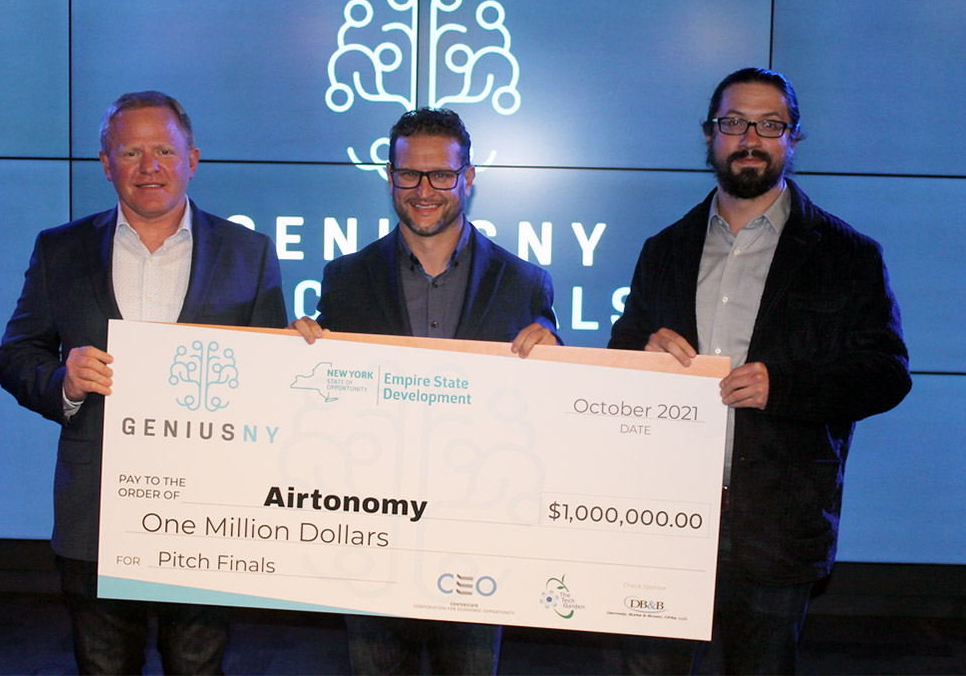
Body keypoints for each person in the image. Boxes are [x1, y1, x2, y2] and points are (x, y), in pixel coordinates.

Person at [609, 68, 911, 674]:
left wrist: (786, 387)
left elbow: (886, 373)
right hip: (661, 516)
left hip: (780, 523)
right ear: (710, 137)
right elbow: (619, 354)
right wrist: (639, 353)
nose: (750, 137)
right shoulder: (663, 249)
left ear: (792, 138)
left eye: (769, 125)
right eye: (733, 123)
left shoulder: (848, 255)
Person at [0, 91, 288, 674]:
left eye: (163, 150)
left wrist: (301, 357)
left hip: (209, 515)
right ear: (105, 165)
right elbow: (15, 355)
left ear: (192, 159)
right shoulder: (61, 250)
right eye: (130, 152)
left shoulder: (248, 252)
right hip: (95, 514)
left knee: (197, 668)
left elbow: (270, 382)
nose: (149, 167)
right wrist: (64, 381)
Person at [292, 107, 560, 674]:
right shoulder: (344, 278)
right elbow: (319, 402)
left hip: (478, 536)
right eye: (409, 174)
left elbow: (546, 410)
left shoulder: (524, 282)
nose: (424, 190)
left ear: (468, 179)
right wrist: (296, 356)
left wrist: (556, 360)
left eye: (441, 175)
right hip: (370, 532)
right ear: (389, 177)